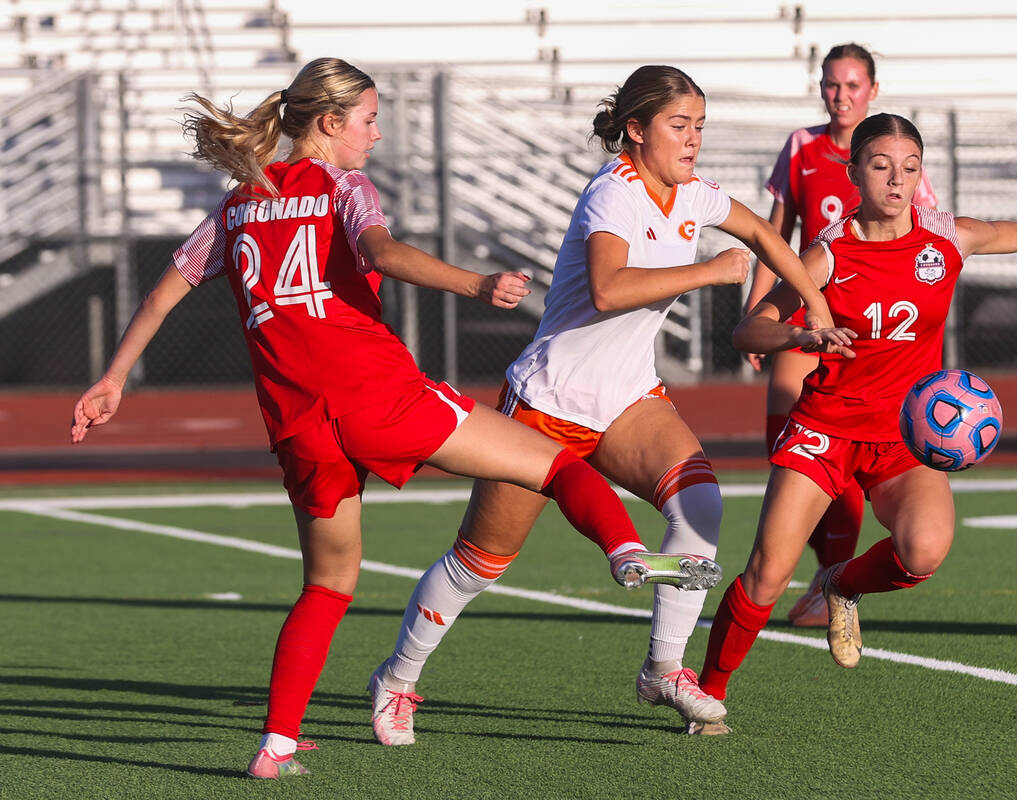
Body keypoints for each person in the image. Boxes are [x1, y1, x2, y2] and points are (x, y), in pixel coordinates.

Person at [69, 58, 724, 780]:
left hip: (298, 423)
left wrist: (112, 377)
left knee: (327, 585)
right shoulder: (343, 186)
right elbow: (381, 251)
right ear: (328, 123)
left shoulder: (238, 205)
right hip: (379, 395)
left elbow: (168, 291)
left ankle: (275, 745)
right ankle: (624, 548)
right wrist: (474, 282)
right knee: (554, 462)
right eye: (369, 120)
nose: (376, 136)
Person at [368, 65, 854, 739]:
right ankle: (397, 678)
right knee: (480, 561)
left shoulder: (693, 192)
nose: (692, 141)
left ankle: (664, 668)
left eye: (700, 127)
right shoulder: (613, 192)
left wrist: (820, 309)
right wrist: (710, 273)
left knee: (701, 503)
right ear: (635, 129)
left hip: (628, 398)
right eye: (678, 126)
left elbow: (769, 237)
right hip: (547, 401)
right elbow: (607, 288)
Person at [697, 113, 1017, 713]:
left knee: (923, 552)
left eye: (911, 168)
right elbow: (748, 331)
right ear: (853, 173)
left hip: (904, 436)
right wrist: (801, 339)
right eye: (882, 166)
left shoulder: (945, 239)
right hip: (824, 430)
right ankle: (708, 693)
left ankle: (840, 584)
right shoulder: (827, 255)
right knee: (765, 575)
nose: (898, 180)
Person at [744, 43, 939, 628]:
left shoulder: (892, 150)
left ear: (871, 90)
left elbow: (924, 230)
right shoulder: (801, 147)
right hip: (810, 315)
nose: (841, 95)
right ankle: (823, 572)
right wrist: (760, 312)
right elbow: (776, 235)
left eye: (853, 85)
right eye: (832, 84)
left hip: (869, 327)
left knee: (846, 448)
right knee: (792, 449)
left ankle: (833, 584)